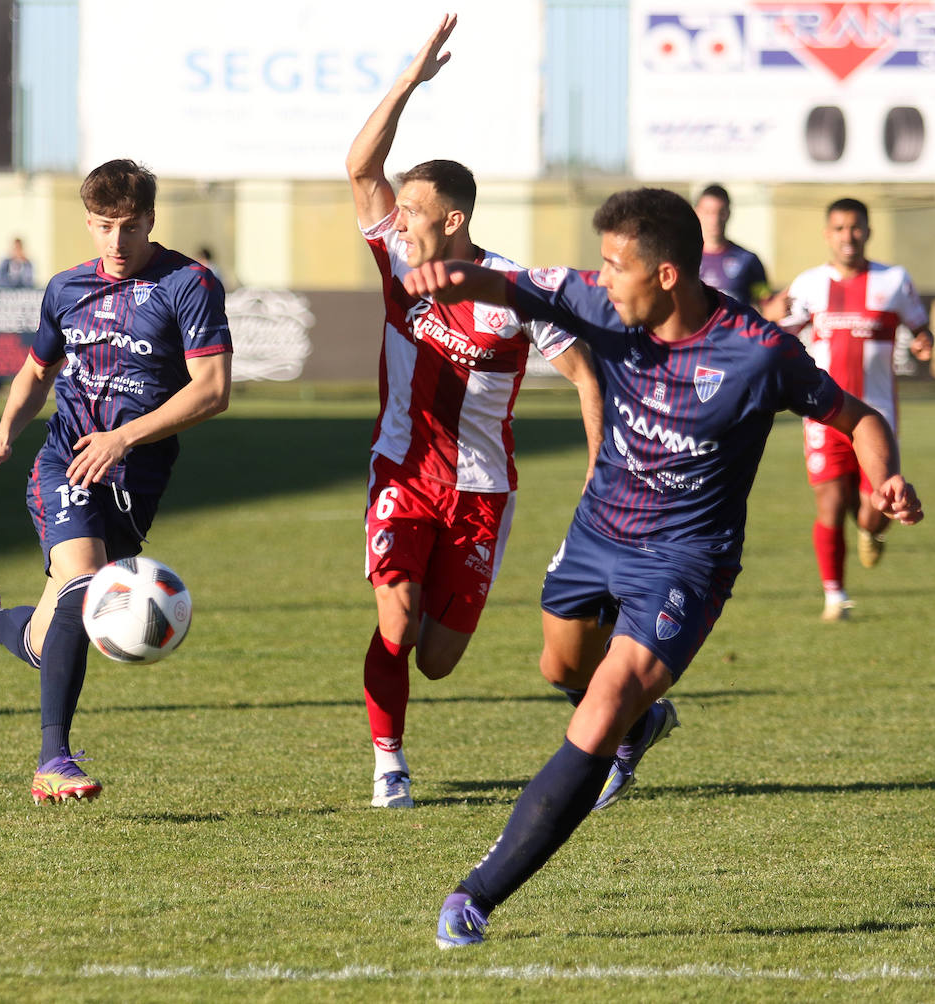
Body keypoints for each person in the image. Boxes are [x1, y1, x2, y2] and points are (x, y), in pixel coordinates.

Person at [400, 187, 925, 948]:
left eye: (617, 266)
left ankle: (474, 896)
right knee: (561, 666)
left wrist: (886, 476)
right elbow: (510, 283)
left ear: (668, 274)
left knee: (598, 707)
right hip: (597, 533)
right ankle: (643, 725)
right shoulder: (600, 304)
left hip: (685, 560)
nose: (603, 277)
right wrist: (449, 278)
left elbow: (858, 416)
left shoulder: (757, 352)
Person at [345, 14, 603, 810]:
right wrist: (410, 81)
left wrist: (603, 474)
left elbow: (586, 376)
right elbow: (361, 168)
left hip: (484, 491)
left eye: (415, 211)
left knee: (438, 659)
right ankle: (389, 763)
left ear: (451, 220)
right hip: (403, 474)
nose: (400, 221)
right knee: (397, 619)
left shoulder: (515, 290)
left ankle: (628, 716)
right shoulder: (396, 257)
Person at [0, 159, 232, 805]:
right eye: (103, 226)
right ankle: (54, 760)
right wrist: (2, 439)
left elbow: (213, 391)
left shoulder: (189, 283)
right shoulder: (65, 288)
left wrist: (125, 438)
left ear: (151, 221)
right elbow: (36, 370)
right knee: (82, 586)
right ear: (88, 222)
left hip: (138, 474)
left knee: (55, 644)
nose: (116, 242)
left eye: (129, 227)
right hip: (65, 461)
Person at [764, 198, 933, 621]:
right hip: (823, 414)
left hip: (876, 417)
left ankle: (872, 533)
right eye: (839, 228)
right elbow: (773, 332)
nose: (848, 236)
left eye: (855, 228)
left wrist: (924, 340)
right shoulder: (808, 284)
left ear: (868, 231)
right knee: (830, 503)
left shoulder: (894, 281)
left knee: (876, 510)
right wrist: (768, 314)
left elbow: (920, 327)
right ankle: (835, 597)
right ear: (828, 234)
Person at [694, 184, 770, 307]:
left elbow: (766, 303)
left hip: (738, 326)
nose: (715, 219)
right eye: (708, 212)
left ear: (729, 213)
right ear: (697, 212)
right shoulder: (685, 259)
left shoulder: (749, 260)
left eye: (721, 212)